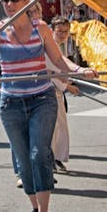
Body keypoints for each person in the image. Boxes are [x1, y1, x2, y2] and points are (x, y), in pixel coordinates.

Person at [0, 0, 98, 212]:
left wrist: (79, 71)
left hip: (42, 97)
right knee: (22, 157)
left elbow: (59, 59)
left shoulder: (41, 28)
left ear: (27, 1)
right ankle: (34, 210)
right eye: (5, 0)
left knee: (39, 152)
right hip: (10, 101)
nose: (8, 4)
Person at [47, 16, 81, 173]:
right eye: (59, 31)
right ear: (52, 31)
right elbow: (50, 71)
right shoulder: (50, 46)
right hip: (49, 88)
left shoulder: (63, 45)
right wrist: (67, 85)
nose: (62, 34)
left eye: (65, 32)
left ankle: (57, 156)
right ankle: (51, 157)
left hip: (58, 88)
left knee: (61, 125)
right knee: (53, 126)